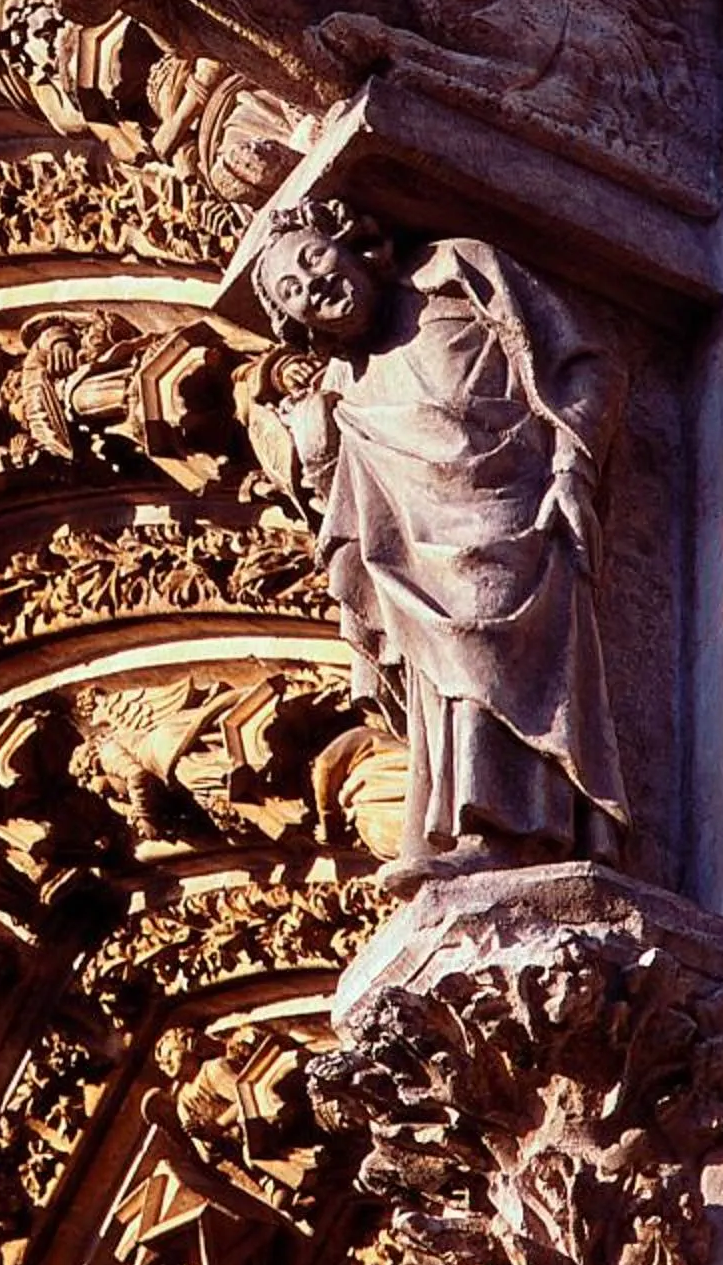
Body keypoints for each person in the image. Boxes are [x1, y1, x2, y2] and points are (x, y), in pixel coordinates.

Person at [251, 200, 628, 877]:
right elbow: (346, 511)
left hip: (517, 516)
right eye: (292, 292)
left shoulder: (455, 270)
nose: (314, 286)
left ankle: (530, 834)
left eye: (312, 259)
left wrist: (574, 468)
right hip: (420, 563)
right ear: (297, 324)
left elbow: (584, 362)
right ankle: (472, 832)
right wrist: (312, 450)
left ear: (354, 240)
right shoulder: (342, 388)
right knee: (445, 684)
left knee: (496, 643)